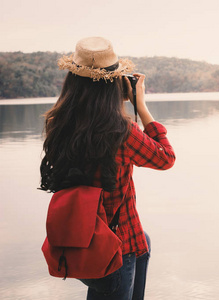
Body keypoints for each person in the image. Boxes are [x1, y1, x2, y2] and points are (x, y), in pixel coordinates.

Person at [40, 37, 176, 299]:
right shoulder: (119, 132)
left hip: (80, 240)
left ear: (73, 82)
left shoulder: (58, 123)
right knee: (139, 245)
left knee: (143, 241)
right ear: (114, 84)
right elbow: (165, 158)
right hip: (115, 248)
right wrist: (140, 106)